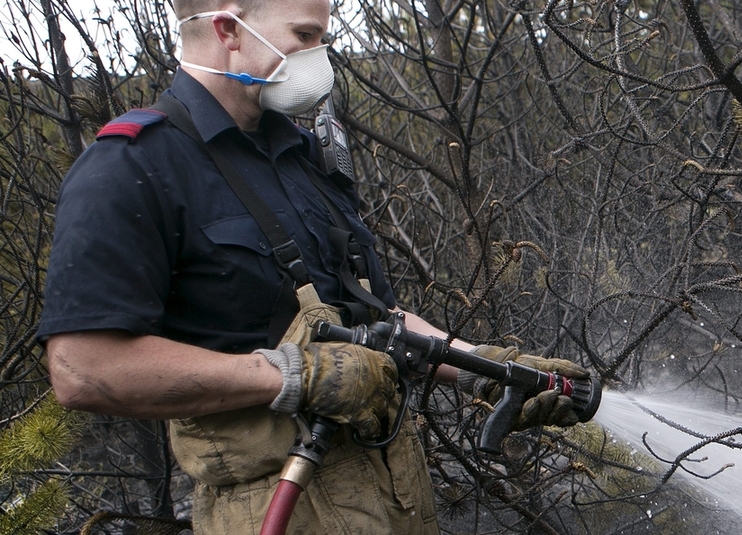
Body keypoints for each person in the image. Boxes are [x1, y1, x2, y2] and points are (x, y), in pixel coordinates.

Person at [37, 1, 586, 533]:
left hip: (392, 492)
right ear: (228, 30)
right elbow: (83, 368)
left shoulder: (301, 156)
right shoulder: (132, 164)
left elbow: (376, 317)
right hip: (276, 501)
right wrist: (296, 377)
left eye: (324, 36)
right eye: (304, 36)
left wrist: (483, 368)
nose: (320, 56)